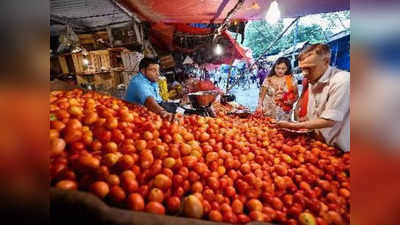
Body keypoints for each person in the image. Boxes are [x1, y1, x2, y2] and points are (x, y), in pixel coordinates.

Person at [274, 44, 350, 152]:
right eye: (302, 69)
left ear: (326, 61)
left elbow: (329, 120)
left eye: (310, 68)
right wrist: (305, 119)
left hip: (339, 150)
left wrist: (294, 126)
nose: (305, 74)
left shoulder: (342, 81)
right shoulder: (312, 80)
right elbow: (318, 112)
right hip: (319, 145)